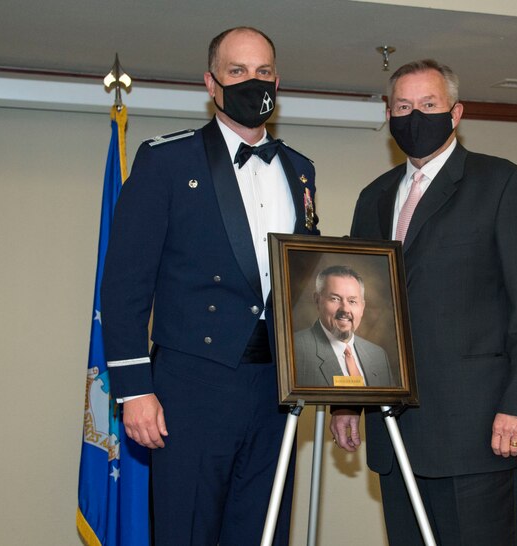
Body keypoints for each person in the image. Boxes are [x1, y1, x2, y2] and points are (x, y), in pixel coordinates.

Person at [100, 27, 319, 546]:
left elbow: (304, 281)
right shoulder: (167, 161)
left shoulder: (299, 169)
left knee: (263, 531)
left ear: (277, 81)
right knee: (186, 531)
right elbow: (125, 285)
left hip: (276, 388)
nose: (252, 82)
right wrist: (135, 390)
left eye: (263, 72)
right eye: (238, 71)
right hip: (192, 385)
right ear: (211, 84)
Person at [330, 59, 517, 545]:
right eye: (404, 106)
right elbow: (354, 308)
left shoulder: (501, 184)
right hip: (394, 432)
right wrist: (347, 401)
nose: (415, 116)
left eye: (428, 105)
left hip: (476, 431)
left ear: (455, 114)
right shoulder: (373, 198)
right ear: (389, 116)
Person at [293, 265, 394, 387]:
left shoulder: (378, 355)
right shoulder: (294, 349)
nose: (345, 309)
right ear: (317, 301)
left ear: (362, 307)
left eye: (352, 301)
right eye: (335, 299)